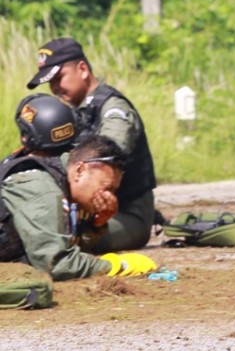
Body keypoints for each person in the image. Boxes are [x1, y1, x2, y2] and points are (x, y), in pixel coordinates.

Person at [0, 98, 158, 280]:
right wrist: (117, 265)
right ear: (80, 170)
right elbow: (57, 264)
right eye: (106, 187)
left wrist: (95, 225)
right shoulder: (42, 188)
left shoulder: (56, 183)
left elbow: (62, 246)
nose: (107, 195)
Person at [27, 38, 157, 252]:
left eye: (59, 78)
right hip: (86, 212)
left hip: (126, 214)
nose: (55, 87)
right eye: (50, 82)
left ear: (83, 69)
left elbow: (108, 153)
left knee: (58, 245)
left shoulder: (114, 110)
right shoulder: (74, 111)